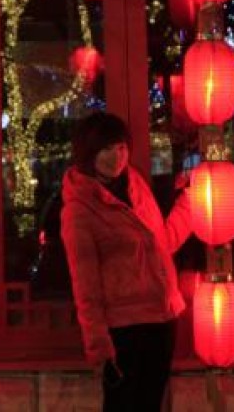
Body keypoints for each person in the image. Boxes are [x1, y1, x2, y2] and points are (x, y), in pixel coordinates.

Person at [60, 112, 192, 411]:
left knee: (151, 404)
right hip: (123, 330)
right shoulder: (79, 210)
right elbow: (85, 285)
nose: (116, 157)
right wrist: (98, 344)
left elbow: (162, 243)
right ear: (88, 153)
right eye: (106, 149)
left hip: (161, 319)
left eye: (121, 147)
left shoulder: (135, 186)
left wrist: (190, 202)